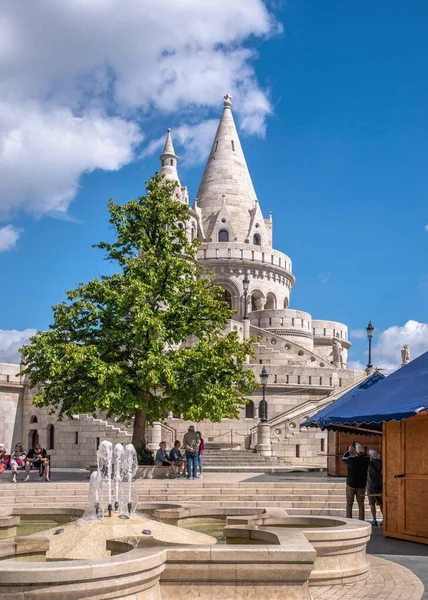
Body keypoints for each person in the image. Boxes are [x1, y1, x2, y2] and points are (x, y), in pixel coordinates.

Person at [342, 442, 370, 521]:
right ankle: (361, 520)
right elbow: (367, 456)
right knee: (361, 504)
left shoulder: (351, 459)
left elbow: (344, 458)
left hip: (351, 484)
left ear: (356, 451)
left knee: (349, 503)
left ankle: (349, 519)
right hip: (361, 485)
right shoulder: (366, 460)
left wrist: (349, 451)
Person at [367, 449, 383, 526]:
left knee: (372, 503)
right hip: (379, 485)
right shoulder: (381, 463)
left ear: (371, 457)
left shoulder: (369, 464)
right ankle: (384, 519)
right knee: (381, 503)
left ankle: (374, 520)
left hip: (370, 486)